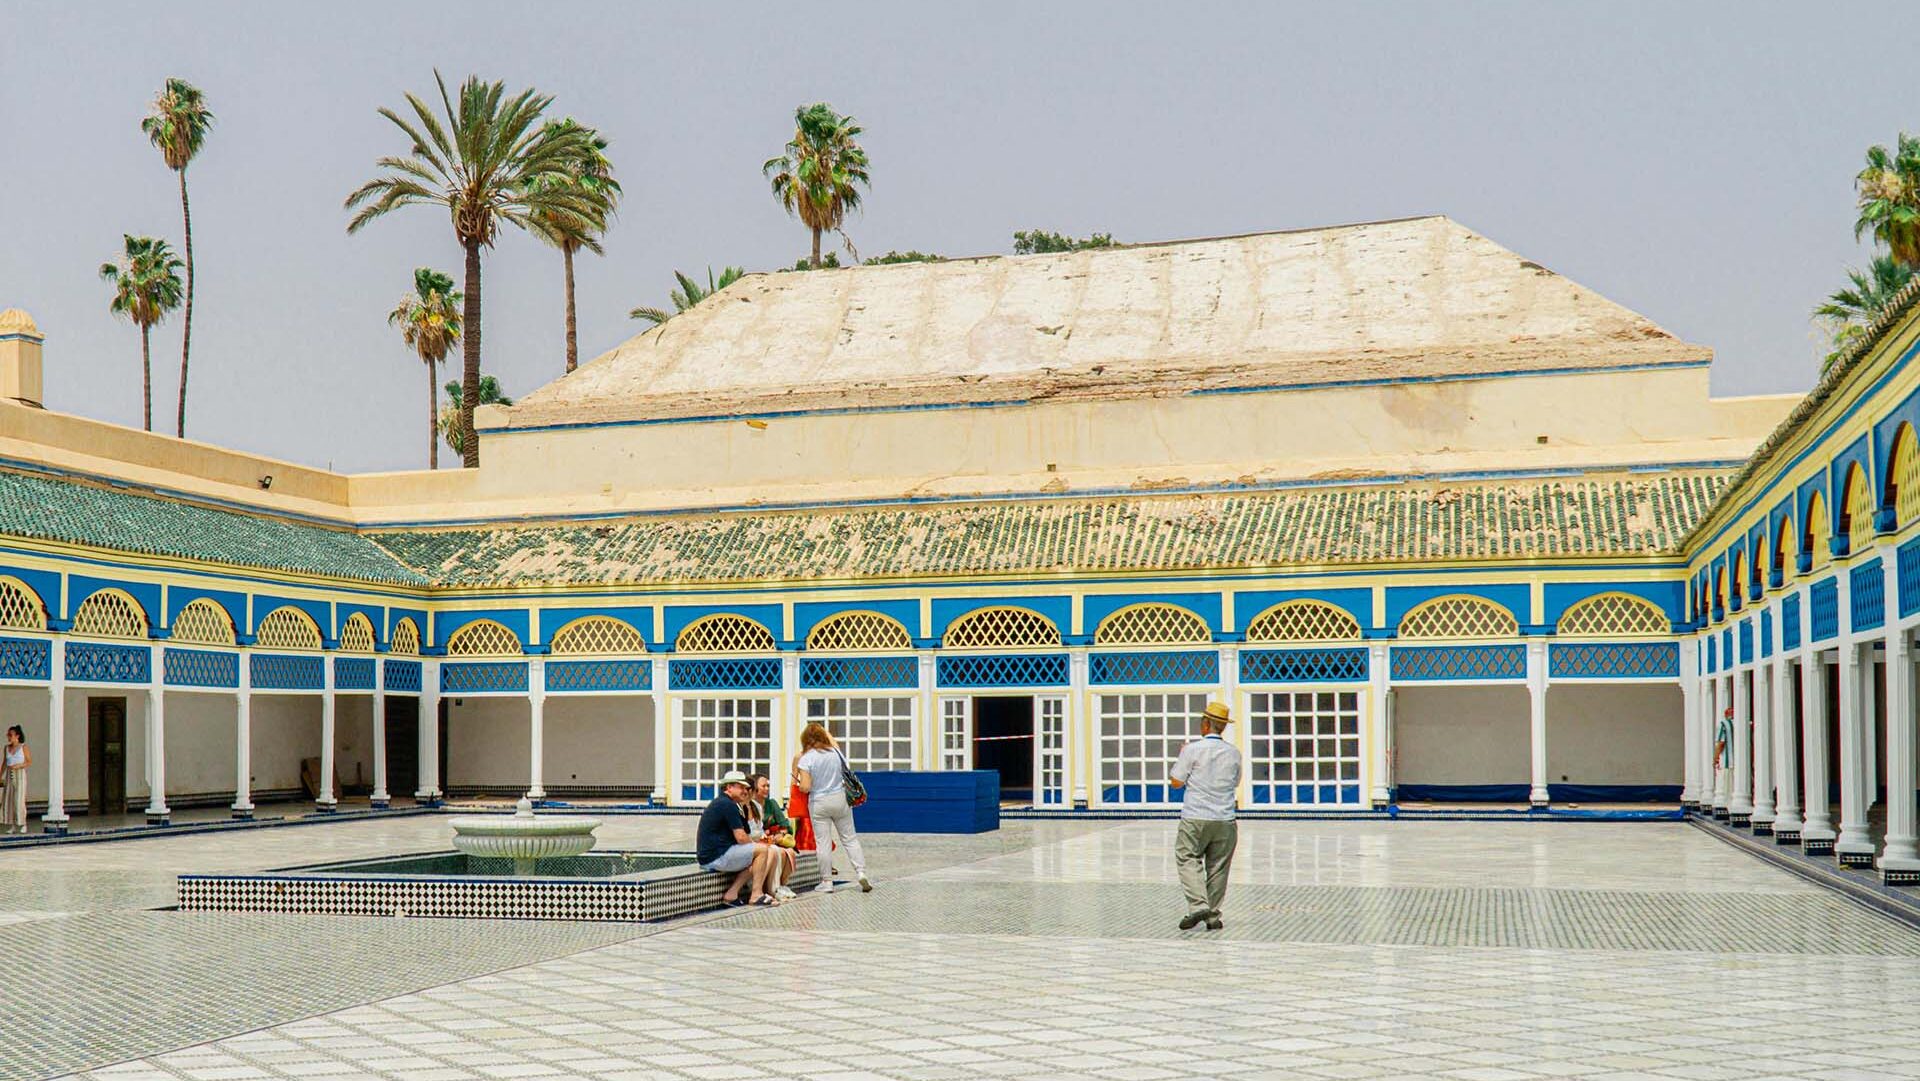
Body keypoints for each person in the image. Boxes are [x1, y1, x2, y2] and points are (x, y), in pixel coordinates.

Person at [1169, 701, 1241, 930]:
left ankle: (1199, 905)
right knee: (1218, 866)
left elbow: (1176, 782)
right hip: (1225, 819)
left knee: (1187, 856)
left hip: (1195, 816)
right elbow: (1236, 782)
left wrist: (1182, 754)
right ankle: (1212, 915)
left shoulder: (1192, 750)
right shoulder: (1234, 753)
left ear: (1205, 724)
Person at [793, 722, 872, 893]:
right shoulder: (835, 752)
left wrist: (800, 785)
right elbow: (833, 742)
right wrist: (823, 732)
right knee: (850, 839)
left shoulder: (807, 758)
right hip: (840, 799)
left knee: (823, 843)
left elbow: (805, 787)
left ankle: (827, 882)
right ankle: (861, 872)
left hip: (819, 802)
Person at [696, 770, 782, 906]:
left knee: (757, 853)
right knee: (762, 851)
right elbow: (741, 837)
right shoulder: (726, 804)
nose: (745, 791)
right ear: (729, 787)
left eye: (746, 788)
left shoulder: (732, 805)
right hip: (716, 857)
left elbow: (745, 833)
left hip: (713, 855)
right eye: (741, 787)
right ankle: (756, 894)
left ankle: (732, 894)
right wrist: (756, 845)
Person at [746, 772, 798, 900]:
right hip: (763, 841)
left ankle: (781, 885)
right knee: (777, 852)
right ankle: (771, 888)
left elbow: (786, 826)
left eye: (768, 786)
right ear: (754, 789)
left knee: (790, 852)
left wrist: (780, 834)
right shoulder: (750, 806)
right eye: (763, 786)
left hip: (773, 839)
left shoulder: (771, 804)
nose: (767, 789)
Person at [1, 725, 30, 834]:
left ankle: (23, 823)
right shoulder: (7, 748)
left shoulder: (23, 747)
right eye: (8, 735)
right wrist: (1, 775)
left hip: (20, 774)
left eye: (11, 735)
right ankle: (12, 824)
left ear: (17, 736)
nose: (9, 737)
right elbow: (4, 762)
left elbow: (29, 761)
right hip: (9, 773)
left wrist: (20, 765)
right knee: (10, 799)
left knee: (19, 799)